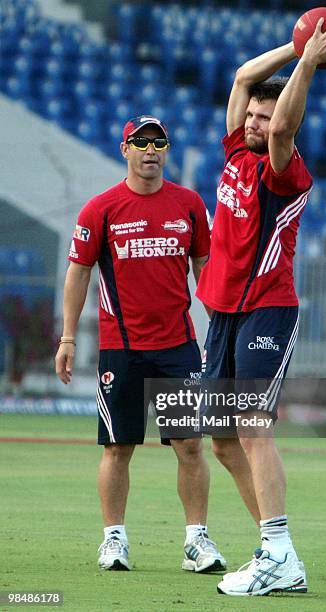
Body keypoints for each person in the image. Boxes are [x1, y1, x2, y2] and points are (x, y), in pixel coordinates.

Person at [196, 19, 326, 596]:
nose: (258, 124)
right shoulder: (237, 150)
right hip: (224, 312)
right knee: (223, 440)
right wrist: (293, 45)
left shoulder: (285, 171)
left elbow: (286, 123)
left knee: (253, 428)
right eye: (254, 117)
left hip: (267, 308)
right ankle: (274, 551)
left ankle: (280, 553)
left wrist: (308, 62)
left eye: (266, 118)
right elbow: (241, 77)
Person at [55, 115, 226, 573]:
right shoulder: (101, 209)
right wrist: (68, 337)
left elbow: (205, 271)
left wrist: (221, 332)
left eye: (158, 142)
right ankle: (114, 540)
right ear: (124, 149)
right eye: (140, 142)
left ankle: (197, 542)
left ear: (167, 150)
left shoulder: (190, 205)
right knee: (118, 446)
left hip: (179, 347)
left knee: (191, 445)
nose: (150, 150)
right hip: (121, 346)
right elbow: (78, 273)